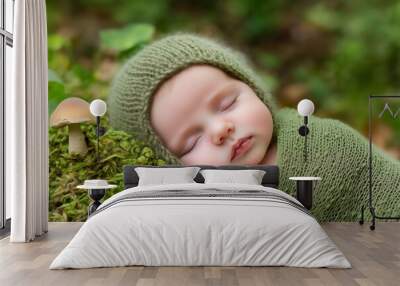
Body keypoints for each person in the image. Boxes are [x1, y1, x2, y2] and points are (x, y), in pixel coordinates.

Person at [107, 32, 400, 221]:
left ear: (253, 87)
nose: (221, 129)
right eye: (192, 142)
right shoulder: (200, 209)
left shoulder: (330, 142)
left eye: (227, 104)